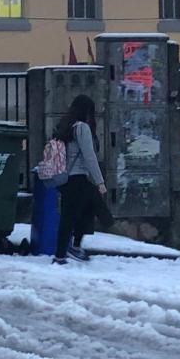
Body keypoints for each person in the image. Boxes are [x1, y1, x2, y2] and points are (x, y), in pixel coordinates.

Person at [52, 95, 107, 265]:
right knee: (81, 211)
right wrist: (100, 182)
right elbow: (89, 156)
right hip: (77, 177)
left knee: (81, 210)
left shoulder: (64, 126)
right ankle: (64, 252)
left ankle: (69, 249)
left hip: (63, 178)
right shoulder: (82, 128)